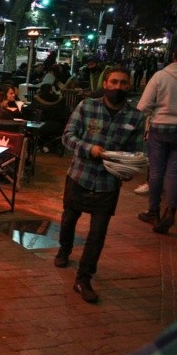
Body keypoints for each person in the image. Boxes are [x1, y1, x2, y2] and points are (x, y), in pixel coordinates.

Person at [55, 67, 145, 303]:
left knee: (98, 234)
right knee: (69, 218)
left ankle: (84, 278)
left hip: (108, 183)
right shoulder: (86, 107)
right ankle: (64, 249)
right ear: (105, 83)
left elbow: (137, 152)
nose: (118, 87)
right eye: (113, 82)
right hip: (80, 175)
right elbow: (68, 136)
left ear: (129, 86)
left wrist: (128, 169)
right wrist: (89, 149)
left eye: (123, 83)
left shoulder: (136, 117)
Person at [136, 47, 177, 234]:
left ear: (173, 56)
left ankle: (153, 211)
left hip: (160, 128)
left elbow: (143, 106)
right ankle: (171, 211)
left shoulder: (160, 76)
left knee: (156, 170)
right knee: (174, 172)